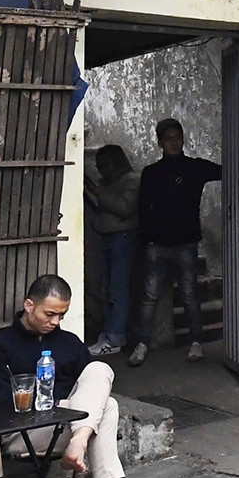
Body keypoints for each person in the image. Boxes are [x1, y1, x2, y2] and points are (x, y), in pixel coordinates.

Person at [0, 275, 161, 478]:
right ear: (28, 305)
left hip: (68, 425)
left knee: (99, 369)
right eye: (49, 314)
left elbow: (93, 387)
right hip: (21, 431)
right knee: (108, 407)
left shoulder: (69, 343)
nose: (55, 322)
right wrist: (64, 406)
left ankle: (83, 451)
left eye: (62, 315)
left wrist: (73, 419)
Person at [132, 118, 222, 366]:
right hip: (157, 244)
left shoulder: (195, 168)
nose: (173, 142)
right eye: (168, 138)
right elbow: (143, 209)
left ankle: (196, 342)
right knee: (149, 296)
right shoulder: (151, 173)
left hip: (185, 243)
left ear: (183, 139)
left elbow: (229, 171)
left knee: (190, 294)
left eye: (177, 137)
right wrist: (147, 240)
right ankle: (142, 344)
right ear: (160, 142)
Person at [86, 145, 141, 356]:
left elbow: (125, 209)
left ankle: (116, 337)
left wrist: (101, 194)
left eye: (107, 166)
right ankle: (107, 335)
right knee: (106, 289)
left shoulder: (131, 181)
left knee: (118, 291)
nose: (103, 171)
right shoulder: (106, 183)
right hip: (108, 237)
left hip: (123, 237)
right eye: (100, 167)